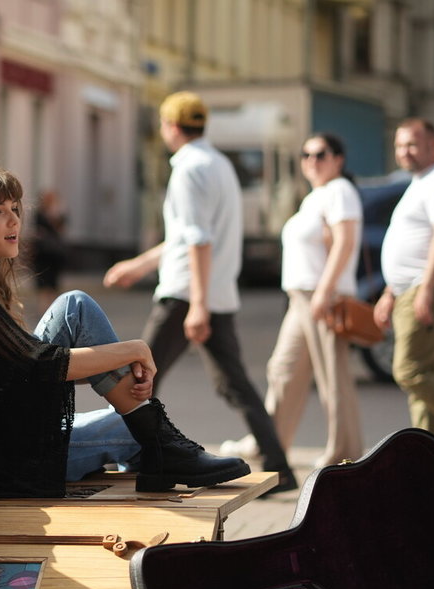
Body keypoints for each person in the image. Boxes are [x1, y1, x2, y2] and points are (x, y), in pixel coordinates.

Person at [0, 166, 249, 498]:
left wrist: (113, 365)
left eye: (14, 209)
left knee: (77, 316)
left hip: (1, 440)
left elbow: (14, 373)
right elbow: (37, 363)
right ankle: (159, 451)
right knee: (131, 427)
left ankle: (159, 450)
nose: (14, 221)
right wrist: (133, 350)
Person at [103, 91, 295, 493]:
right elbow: (185, 238)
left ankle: (133, 460)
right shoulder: (219, 164)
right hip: (212, 292)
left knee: (137, 376)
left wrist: (198, 306)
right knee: (234, 384)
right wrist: (140, 265)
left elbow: (198, 239)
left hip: (186, 294)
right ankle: (280, 466)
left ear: (171, 127)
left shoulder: (189, 169)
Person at [219, 133, 364, 469]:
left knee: (333, 377)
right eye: (306, 155)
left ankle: (344, 451)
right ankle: (270, 441)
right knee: (283, 369)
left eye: (321, 154)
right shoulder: (315, 196)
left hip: (323, 296)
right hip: (301, 297)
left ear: (338, 159)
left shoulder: (340, 191)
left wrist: (326, 292)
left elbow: (345, 243)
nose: (312, 161)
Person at [373, 118, 434, 439]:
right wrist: (391, 291)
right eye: (400, 145)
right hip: (411, 288)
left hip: (431, 286)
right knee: (424, 374)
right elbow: (412, 242)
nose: (405, 152)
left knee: (408, 370)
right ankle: (429, 455)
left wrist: (426, 289)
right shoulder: (421, 182)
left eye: (413, 145)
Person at [29, 189, 67, 313]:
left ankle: (53, 309)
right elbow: (38, 229)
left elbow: (62, 228)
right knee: (42, 281)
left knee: (53, 282)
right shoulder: (40, 213)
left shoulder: (58, 212)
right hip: (42, 252)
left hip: (55, 253)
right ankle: (43, 308)